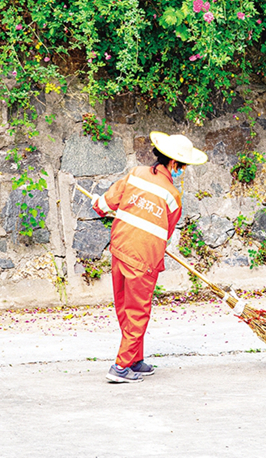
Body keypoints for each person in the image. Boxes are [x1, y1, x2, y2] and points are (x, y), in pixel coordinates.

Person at [91, 130, 207, 383]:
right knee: (138, 312)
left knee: (125, 308)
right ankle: (120, 367)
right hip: (143, 260)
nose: (182, 171)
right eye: (182, 167)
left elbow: (105, 204)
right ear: (173, 163)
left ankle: (135, 359)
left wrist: (98, 203)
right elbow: (166, 232)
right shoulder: (172, 197)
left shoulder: (135, 174)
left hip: (120, 249)